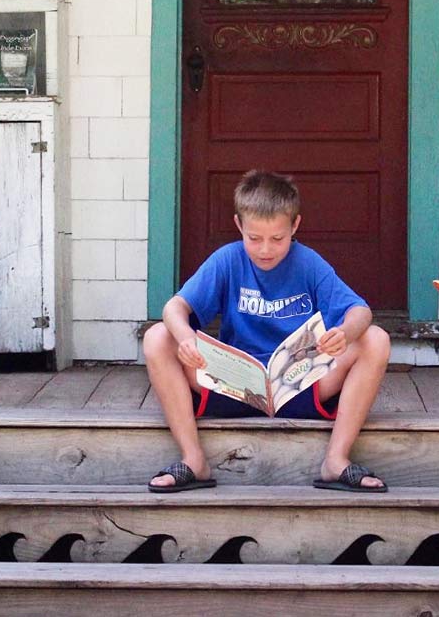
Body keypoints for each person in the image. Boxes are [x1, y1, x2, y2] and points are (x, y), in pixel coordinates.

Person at [143, 170, 391, 493]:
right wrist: (186, 337)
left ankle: (336, 460)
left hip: (297, 385)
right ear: (239, 226)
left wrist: (345, 331)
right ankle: (194, 460)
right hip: (233, 385)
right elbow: (173, 309)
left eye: (278, 239)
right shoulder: (228, 260)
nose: (265, 250)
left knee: (375, 339)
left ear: (295, 226)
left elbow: (362, 312)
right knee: (157, 336)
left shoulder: (308, 262)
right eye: (254, 238)